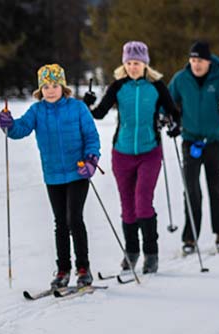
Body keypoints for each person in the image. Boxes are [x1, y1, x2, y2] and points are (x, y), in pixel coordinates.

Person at [0, 64, 103, 290]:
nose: (50, 90)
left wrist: (92, 159)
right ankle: (63, 269)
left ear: (62, 86)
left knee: (74, 219)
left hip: (78, 172)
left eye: (55, 85)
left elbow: (91, 137)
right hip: (53, 175)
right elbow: (19, 130)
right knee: (60, 223)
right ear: (40, 89)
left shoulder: (78, 108)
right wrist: (8, 124)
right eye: (45, 86)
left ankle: (83, 268)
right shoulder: (37, 111)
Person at [84, 41, 181, 274]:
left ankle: (151, 254)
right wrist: (87, 104)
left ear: (145, 63)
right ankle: (131, 252)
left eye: (136, 63)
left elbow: (174, 112)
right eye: (128, 63)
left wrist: (174, 125)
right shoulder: (118, 86)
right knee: (127, 206)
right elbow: (99, 113)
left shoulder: (156, 86)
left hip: (150, 151)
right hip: (122, 153)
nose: (132, 67)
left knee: (142, 202)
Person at [168, 41, 219, 253]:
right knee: (191, 189)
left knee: (216, 187)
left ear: (208, 61)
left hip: (215, 140)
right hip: (190, 139)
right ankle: (190, 238)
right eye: (192, 60)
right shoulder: (181, 79)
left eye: (200, 61)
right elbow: (168, 102)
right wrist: (168, 118)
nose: (196, 65)